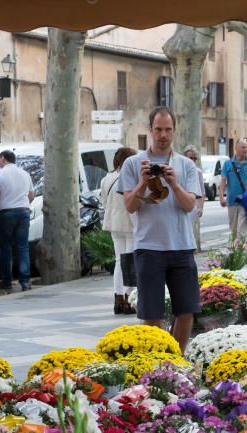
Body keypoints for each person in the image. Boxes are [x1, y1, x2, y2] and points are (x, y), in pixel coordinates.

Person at [118, 106, 202, 354]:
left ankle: (175, 360)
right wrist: (144, 182)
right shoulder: (133, 164)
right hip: (149, 248)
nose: (163, 135)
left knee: (186, 312)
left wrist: (174, 183)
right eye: (158, 129)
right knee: (152, 315)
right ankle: (154, 365)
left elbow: (189, 206)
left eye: (167, 129)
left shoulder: (186, 165)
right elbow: (130, 206)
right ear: (150, 130)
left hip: (182, 247)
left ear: (174, 130)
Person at [0, 150, 35, 291]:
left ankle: (7, 280)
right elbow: (31, 196)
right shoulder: (25, 174)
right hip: (23, 212)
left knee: (5, 247)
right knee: (23, 246)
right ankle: (25, 282)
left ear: (3, 159)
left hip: (6, 214)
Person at [100, 146, 137, 315]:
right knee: (130, 262)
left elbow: (104, 201)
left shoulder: (107, 178)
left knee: (118, 262)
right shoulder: (130, 177)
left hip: (114, 223)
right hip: (130, 223)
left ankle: (118, 299)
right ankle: (129, 299)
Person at [219, 138, 247, 244]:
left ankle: (243, 255)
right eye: (243, 147)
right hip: (232, 201)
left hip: (246, 201)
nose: (245, 149)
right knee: (234, 231)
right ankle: (235, 256)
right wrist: (221, 197)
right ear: (236, 148)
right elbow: (223, 181)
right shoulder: (228, 164)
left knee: (242, 231)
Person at [182, 145, 206, 251]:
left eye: (194, 158)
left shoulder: (198, 172)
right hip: (180, 204)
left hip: (192, 206)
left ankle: (189, 250)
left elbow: (202, 191)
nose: (192, 160)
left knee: (188, 230)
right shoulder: (178, 170)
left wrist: (201, 207)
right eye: (190, 158)